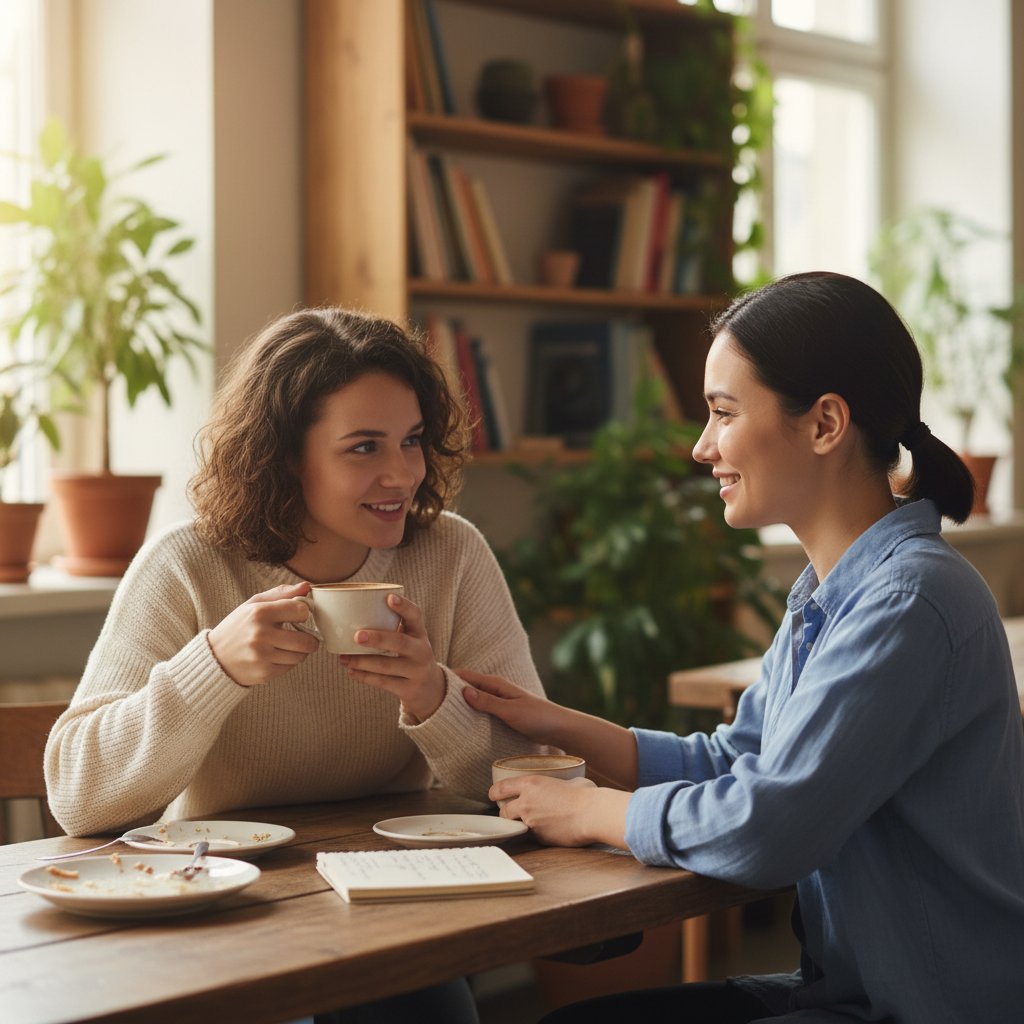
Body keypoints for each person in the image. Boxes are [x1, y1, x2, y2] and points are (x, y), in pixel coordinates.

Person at [460, 272, 1024, 1024]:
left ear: (825, 424)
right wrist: (560, 724)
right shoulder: (832, 593)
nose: (702, 447)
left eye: (723, 413)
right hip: (845, 993)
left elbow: (769, 826)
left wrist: (592, 810)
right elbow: (737, 762)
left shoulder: (908, 602)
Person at [44, 304, 547, 835]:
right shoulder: (185, 565)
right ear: (285, 456)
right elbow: (79, 802)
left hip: (404, 866)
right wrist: (213, 668)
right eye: (364, 448)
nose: (402, 475)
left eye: (411, 440)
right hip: (227, 873)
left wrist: (433, 695)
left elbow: (538, 771)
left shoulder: (453, 553)